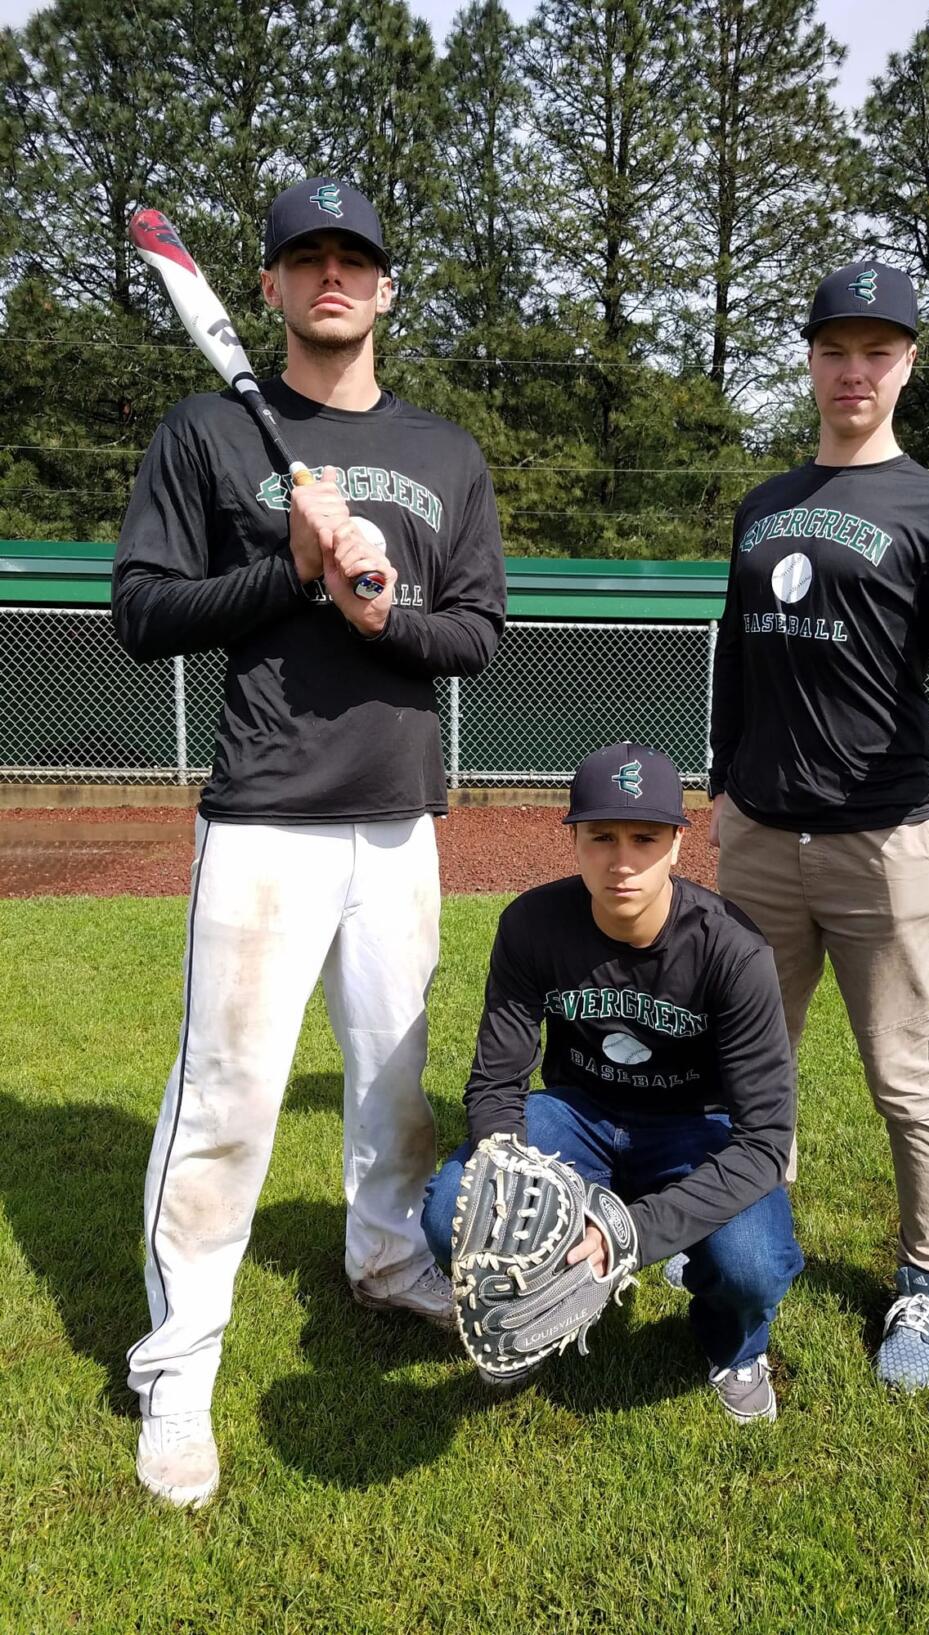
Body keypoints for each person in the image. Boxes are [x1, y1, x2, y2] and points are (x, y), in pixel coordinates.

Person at [112, 177, 506, 1506]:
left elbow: (478, 636)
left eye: (354, 258)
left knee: (394, 1093)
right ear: (270, 287)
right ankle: (179, 1361)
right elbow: (142, 613)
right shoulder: (209, 433)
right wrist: (292, 569)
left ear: (386, 286)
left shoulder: (447, 453)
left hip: (399, 827)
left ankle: (389, 1258)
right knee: (225, 1099)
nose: (331, 276)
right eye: (304, 259)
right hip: (267, 821)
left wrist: (379, 611)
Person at [708, 261, 929, 1393]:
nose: (853, 369)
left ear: (904, 365)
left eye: (876, 350)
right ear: (808, 360)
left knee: (904, 1076)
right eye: (834, 348)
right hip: (755, 837)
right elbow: (735, 664)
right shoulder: (762, 504)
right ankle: (747, 1262)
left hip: (880, 839)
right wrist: (723, 792)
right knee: (753, 1069)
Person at [420, 742, 803, 1424]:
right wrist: (505, 1165)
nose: (622, 860)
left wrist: (631, 1226)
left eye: (644, 838)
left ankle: (734, 1344)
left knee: (751, 1265)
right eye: (601, 836)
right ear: (573, 838)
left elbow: (766, 1141)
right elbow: (497, 1079)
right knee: (455, 1202)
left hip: (693, 1128)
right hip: (581, 1115)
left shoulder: (733, 950)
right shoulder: (532, 925)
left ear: (678, 846)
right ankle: (531, 1308)